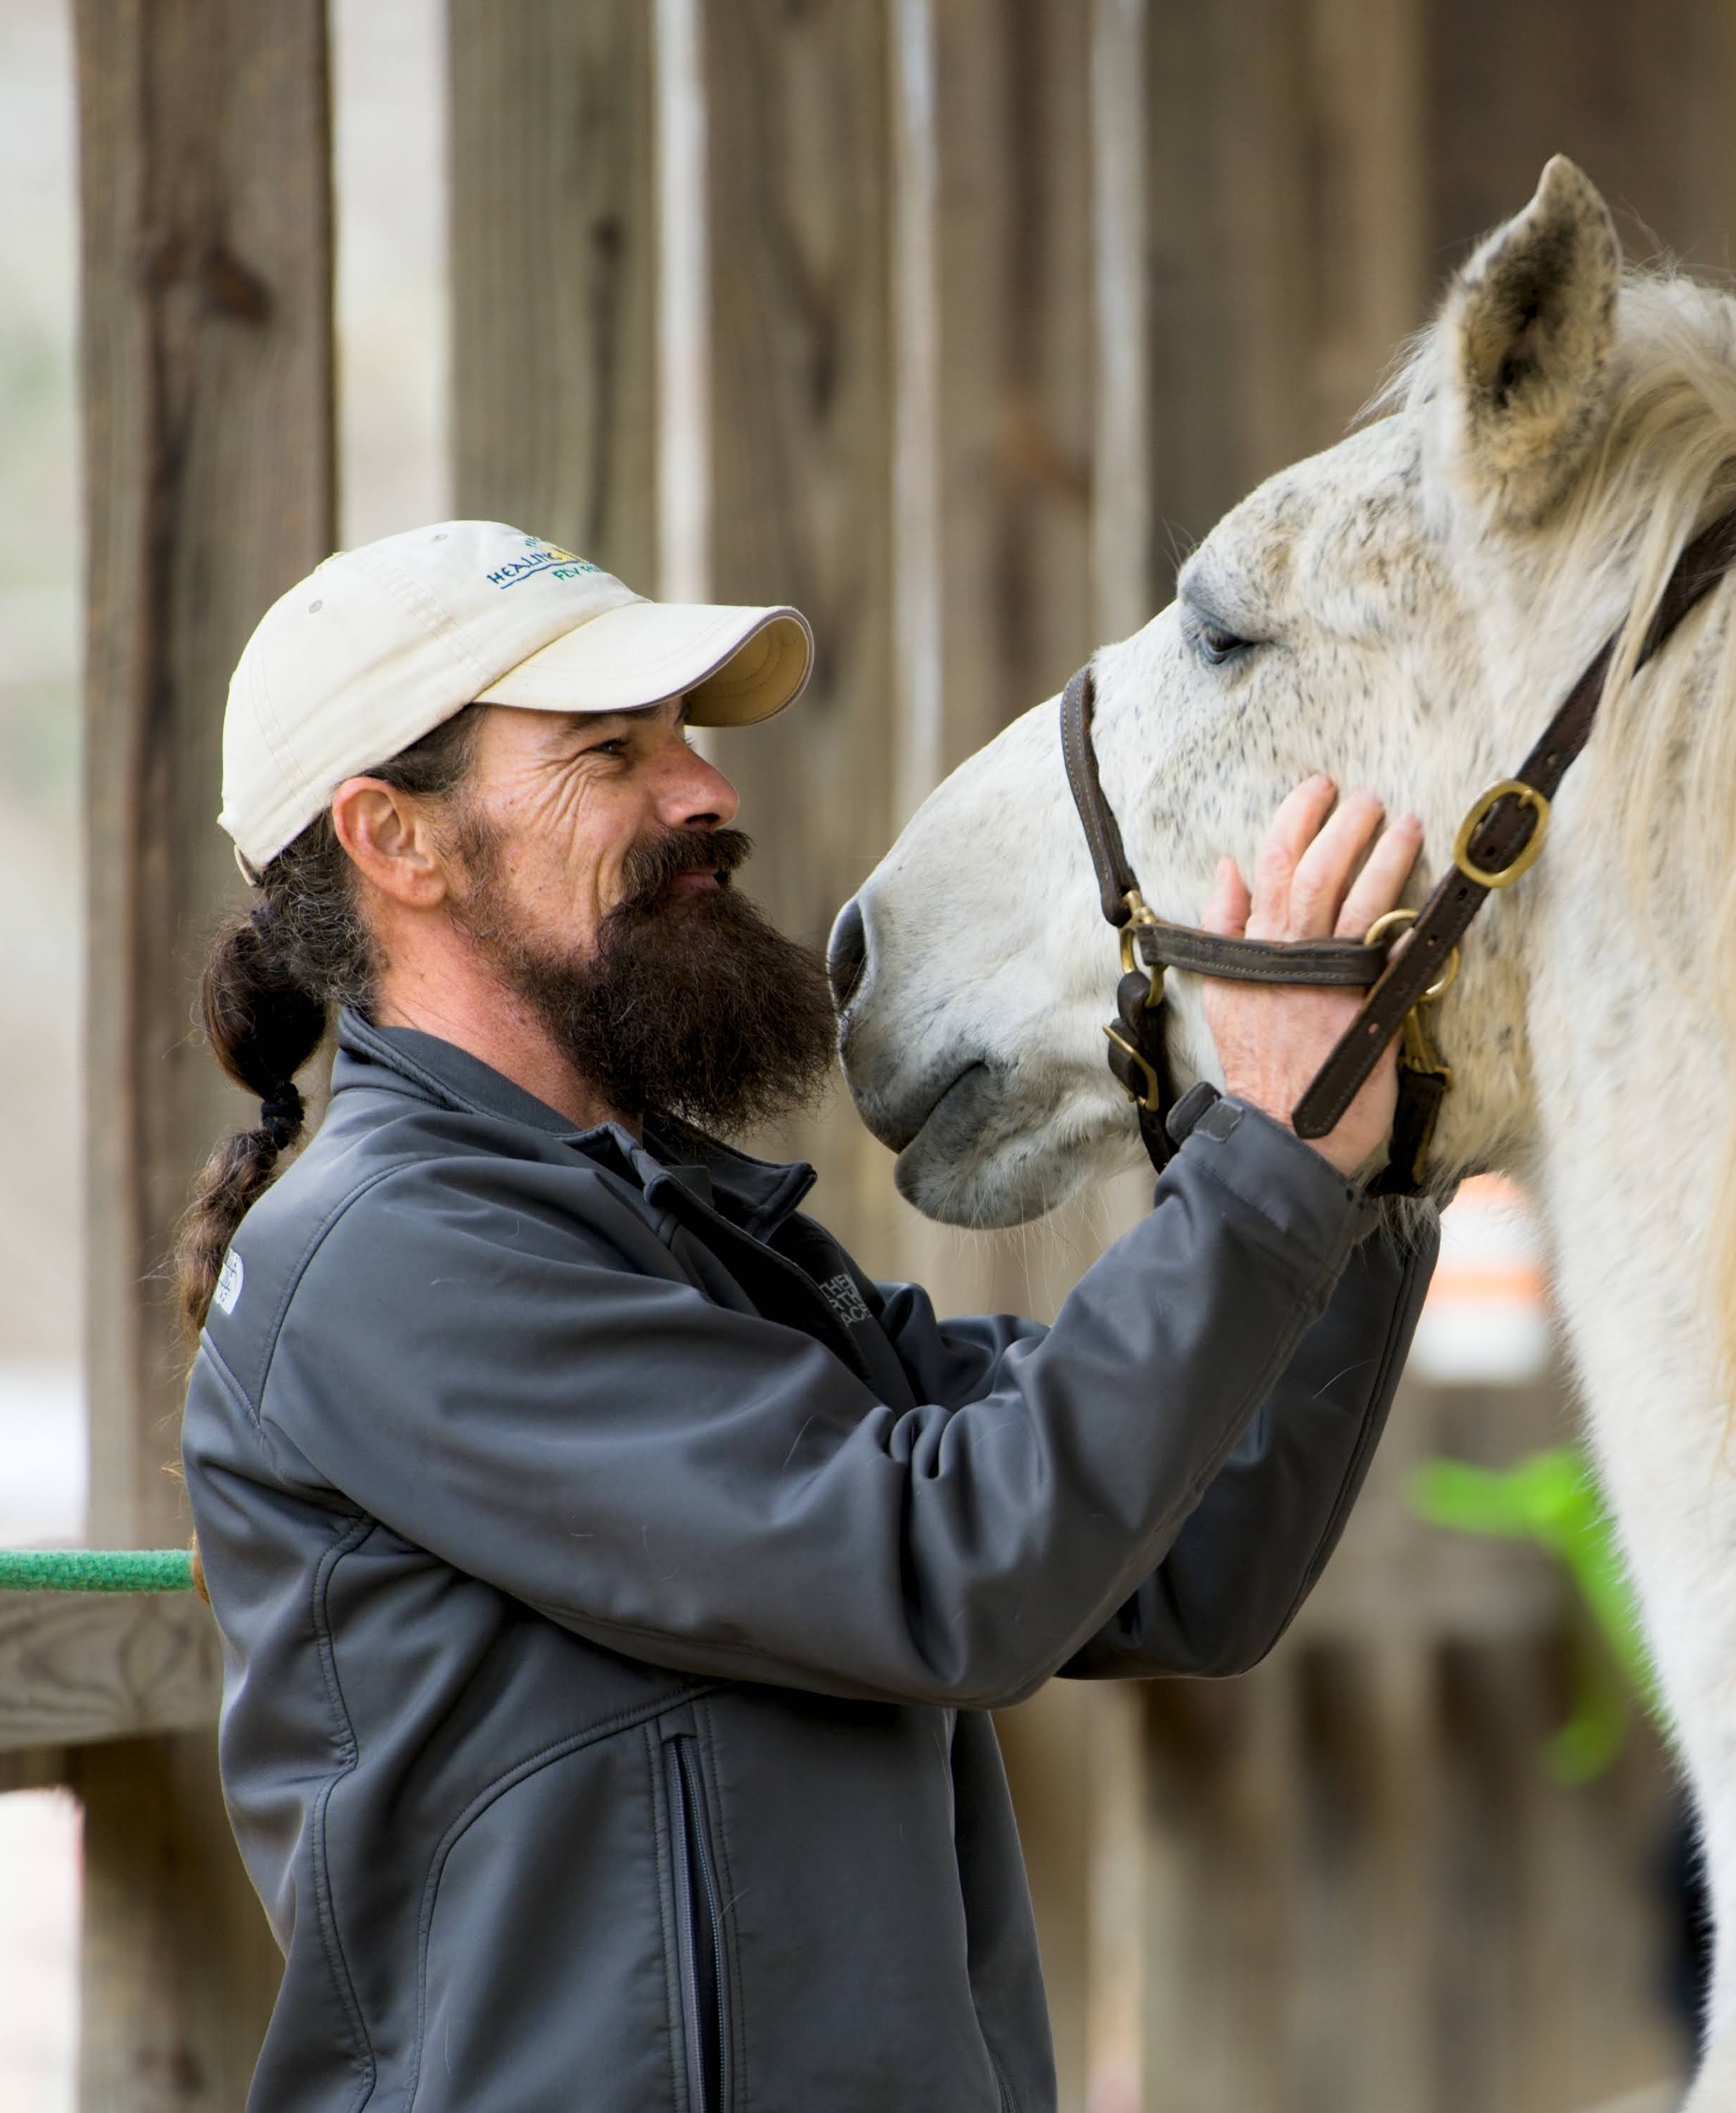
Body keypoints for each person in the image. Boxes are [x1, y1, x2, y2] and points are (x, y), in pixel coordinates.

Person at [176, 520, 1438, 2113]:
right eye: (611, 749)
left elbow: (1190, 1561)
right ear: (395, 840)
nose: (706, 791)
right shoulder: (379, 1259)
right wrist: (1267, 1153)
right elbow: (953, 1565)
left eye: (687, 738)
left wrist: (1371, 1167)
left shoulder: (691, 1239)